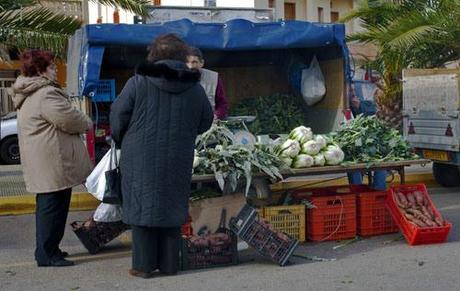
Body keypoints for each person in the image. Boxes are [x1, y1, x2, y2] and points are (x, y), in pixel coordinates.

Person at [110, 34, 213, 278]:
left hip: (139, 158)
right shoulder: (195, 87)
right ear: (181, 56)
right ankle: (169, 265)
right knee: (171, 207)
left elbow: (117, 117)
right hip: (178, 156)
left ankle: (143, 266)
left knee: (142, 208)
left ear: (153, 55)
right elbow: (206, 121)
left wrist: (123, 137)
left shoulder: (138, 82)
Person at [11, 49, 93, 267]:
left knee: (52, 207)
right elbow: (68, 118)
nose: (56, 70)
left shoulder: (31, 92)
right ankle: (47, 254)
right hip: (51, 160)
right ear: (40, 70)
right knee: (52, 209)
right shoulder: (45, 94)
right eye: (52, 66)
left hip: (45, 159)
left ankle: (49, 249)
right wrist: (86, 122)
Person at [348, 84, 386, 190]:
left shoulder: (373, 106)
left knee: (381, 164)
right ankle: (358, 192)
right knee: (354, 165)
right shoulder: (347, 107)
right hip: (358, 147)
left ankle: (378, 193)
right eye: (351, 92)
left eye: (354, 91)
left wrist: (360, 106)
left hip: (375, 145)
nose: (354, 94)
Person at [186, 47, 229, 119]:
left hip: (209, 124)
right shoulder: (176, 79)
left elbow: (222, 104)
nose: (190, 66)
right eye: (187, 62)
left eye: (194, 62)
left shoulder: (213, 78)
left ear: (202, 63)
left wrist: (216, 115)